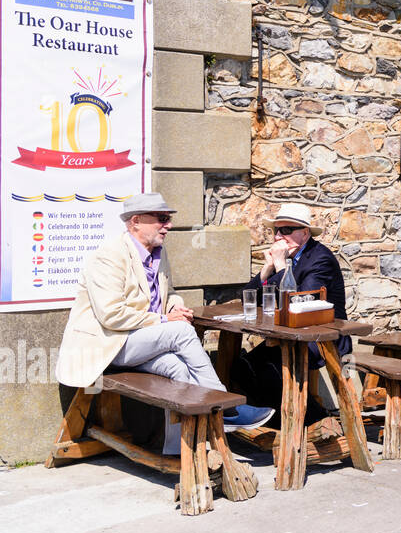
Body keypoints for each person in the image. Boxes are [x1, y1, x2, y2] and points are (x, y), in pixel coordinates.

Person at [54, 193, 272, 453]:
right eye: (161, 219)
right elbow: (111, 315)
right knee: (180, 331)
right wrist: (165, 319)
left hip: (139, 342)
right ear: (135, 221)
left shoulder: (158, 254)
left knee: (178, 368)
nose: (168, 225)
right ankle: (226, 407)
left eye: (168, 219)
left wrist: (173, 305)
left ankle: (178, 452)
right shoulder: (108, 257)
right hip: (108, 346)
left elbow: (168, 292)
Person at [231, 203, 348, 424]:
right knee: (241, 367)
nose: (278, 236)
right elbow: (248, 298)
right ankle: (275, 421)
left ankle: (318, 423)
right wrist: (266, 270)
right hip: (288, 335)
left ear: (304, 233)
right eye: (276, 230)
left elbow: (302, 301)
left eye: (285, 230)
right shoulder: (287, 259)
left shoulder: (320, 259)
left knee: (270, 370)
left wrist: (280, 266)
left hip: (322, 338)